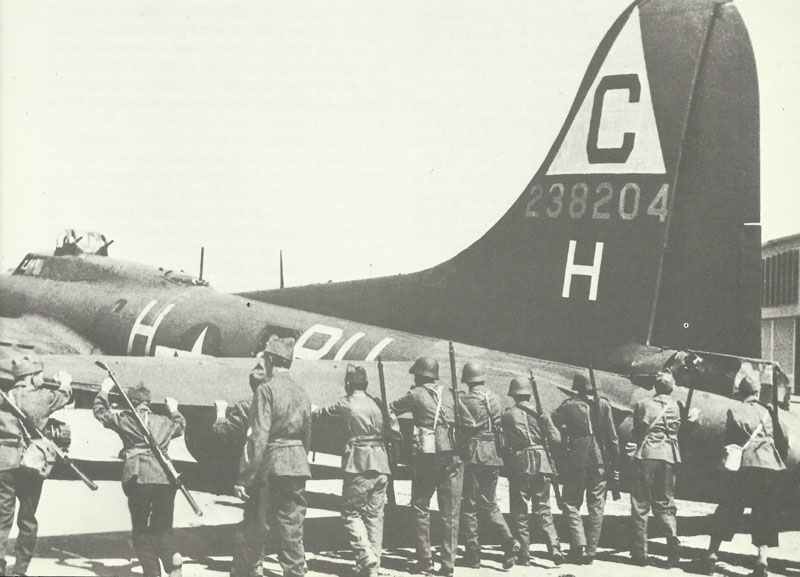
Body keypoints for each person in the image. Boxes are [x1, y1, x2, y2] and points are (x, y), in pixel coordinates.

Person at [232, 336, 311, 577]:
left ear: (270, 360)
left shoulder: (266, 390)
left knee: (256, 525)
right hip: (297, 465)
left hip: (272, 464)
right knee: (292, 528)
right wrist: (299, 461)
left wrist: (244, 477)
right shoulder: (302, 392)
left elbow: (259, 436)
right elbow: (307, 435)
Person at [93, 379, 186, 577]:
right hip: (165, 478)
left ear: (131, 404)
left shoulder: (126, 420)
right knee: (163, 527)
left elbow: (101, 413)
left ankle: (153, 573)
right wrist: (174, 409)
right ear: (148, 403)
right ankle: (171, 558)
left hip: (139, 478)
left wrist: (104, 391)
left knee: (141, 531)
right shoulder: (163, 421)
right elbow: (180, 425)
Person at [701, 369, 786, 577]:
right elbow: (782, 439)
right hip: (769, 468)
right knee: (765, 513)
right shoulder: (769, 411)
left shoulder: (735, 410)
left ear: (741, 391)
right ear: (757, 393)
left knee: (728, 508)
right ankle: (762, 561)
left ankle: (712, 555)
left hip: (744, 466)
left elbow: (728, 440)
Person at [313, 364, 395, 577]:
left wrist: (312, 409)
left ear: (348, 384)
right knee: (375, 517)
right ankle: (372, 569)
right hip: (382, 464)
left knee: (351, 513)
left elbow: (323, 413)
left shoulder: (346, 403)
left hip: (359, 464)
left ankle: (365, 555)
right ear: (366, 383)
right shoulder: (377, 403)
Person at [390, 356, 463, 577]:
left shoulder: (416, 393)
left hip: (427, 457)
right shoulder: (451, 394)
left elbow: (392, 408)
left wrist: (394, 428)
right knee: (450, 514)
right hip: (452, 456)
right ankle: (448, 565)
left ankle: (425, 562)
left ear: (420, 376)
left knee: (421, 507)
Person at [0, 354, 72, 576]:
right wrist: (65, 383)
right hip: (30, 464)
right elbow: (62, 397)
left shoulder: (5, 397)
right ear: (31, 377)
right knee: (28, 520)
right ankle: (20, 570)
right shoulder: (40, 397)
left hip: (4, 463)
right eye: (39, 375)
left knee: (2, 519)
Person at [629, 370, 699, 567]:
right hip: (669, 457)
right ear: (672, 387)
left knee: (640, 505)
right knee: (666, 504)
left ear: (655, 386)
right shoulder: (678, 406)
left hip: (646, 455)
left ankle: (640, 554)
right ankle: (673, 549)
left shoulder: (643, 405)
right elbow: (686, 429)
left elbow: (637, 431)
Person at [551, 372, 619, 564]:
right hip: (600, 462)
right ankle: (591, 550)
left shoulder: (568, 406)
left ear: (577, 388)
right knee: (596, 507)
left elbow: (554, 421)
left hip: (576, 461)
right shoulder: (604, 404)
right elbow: (612, 438)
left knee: (571, 503)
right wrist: (614, 462)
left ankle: (578, 544)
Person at [457, 362, 519, 569]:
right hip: (493, 455)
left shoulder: (464, 399)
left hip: (474, 455)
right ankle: (508, 541)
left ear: (467, 379)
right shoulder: (495, 398)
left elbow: (463, 428)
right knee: (490, 503)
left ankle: (473, 553)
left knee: (469, 505)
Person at [501, 376, 563, 566]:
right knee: (543, 507)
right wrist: (547, 423)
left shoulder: (508, 415)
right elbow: (556, 440)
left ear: (513, 394)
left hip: (521, 464)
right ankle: (554, 548)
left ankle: (525, 554)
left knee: (520, 510)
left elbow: (504, 444)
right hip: (543, 464)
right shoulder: (541, 414)